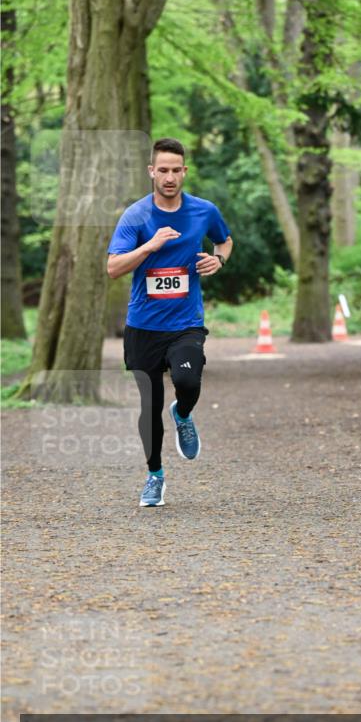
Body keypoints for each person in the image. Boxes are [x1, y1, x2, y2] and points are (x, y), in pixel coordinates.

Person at [107, 138, 233, 507]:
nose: (169, 177)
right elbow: (113, 267)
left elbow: (224, 241)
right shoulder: (136, 216)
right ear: (151, 171)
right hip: (143, 326)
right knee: (150, 406)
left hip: (185, 322)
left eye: (176, 170)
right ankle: (155, 476)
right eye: (162, 170)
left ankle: (183, 413)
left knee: (187, 381)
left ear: (185, 172)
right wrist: (150, 246)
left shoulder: (204, 210)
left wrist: (218, 260)